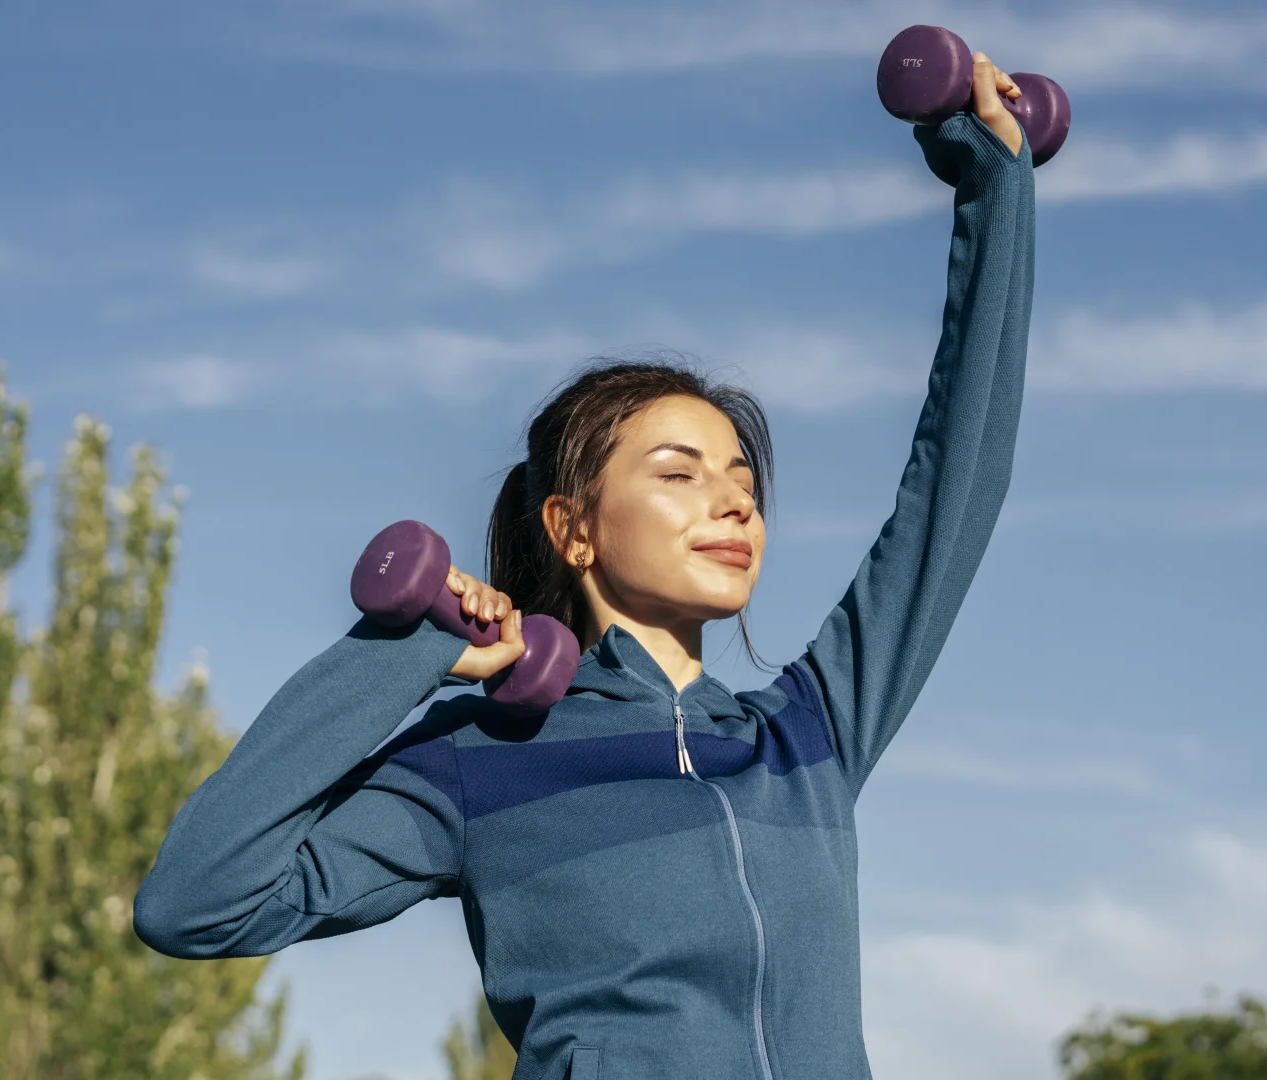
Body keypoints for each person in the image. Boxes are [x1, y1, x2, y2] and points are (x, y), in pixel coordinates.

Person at [136, 53, 1036, 1080]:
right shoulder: (482, 760)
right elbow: (196, 904)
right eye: (680, 473)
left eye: (741, 476)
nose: (734, 499)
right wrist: (405, 651)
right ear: (573, 528)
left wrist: (995, 190)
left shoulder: (806, 736)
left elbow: (957, 487)